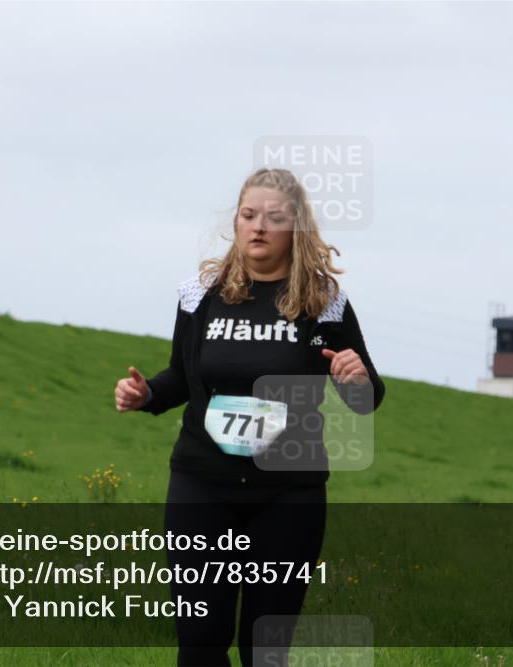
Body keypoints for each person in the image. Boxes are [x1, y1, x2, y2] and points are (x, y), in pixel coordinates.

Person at [114, 168, 385, 666]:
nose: (259, 226)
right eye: (249, 215)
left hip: (288, 496)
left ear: (296, 229)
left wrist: (357, 380)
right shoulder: (202, 293)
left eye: (275, 218)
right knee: (200, 645)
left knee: (266, 651)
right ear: (235, 222)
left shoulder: (323, 302)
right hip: (202, 486)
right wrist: (146, 392)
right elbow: (182, 375)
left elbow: (366, 396)